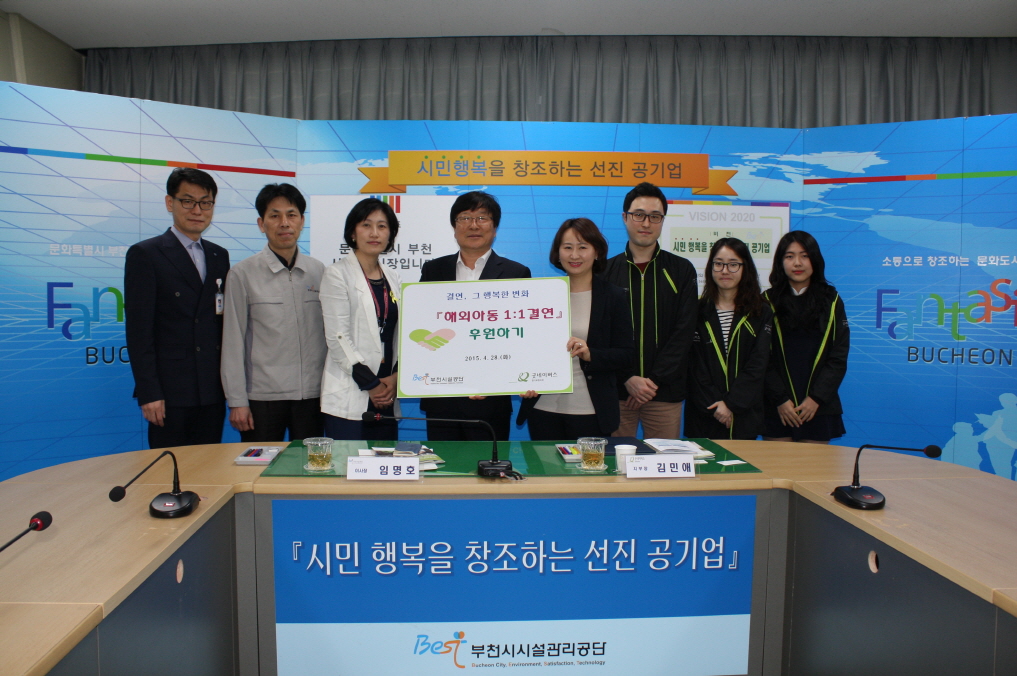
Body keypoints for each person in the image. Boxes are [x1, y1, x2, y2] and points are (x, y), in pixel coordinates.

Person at [124, 167, 231, 448]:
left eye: (205, 203)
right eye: (188, 201)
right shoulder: (146, 254)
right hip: (170, 393)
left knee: (209, 466)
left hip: (212, 390)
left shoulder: (219, 255)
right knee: (169, 467)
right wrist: (149, 392)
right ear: (169, 203)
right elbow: (139, 332)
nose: (197, 210)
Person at [418, 191, 531, 441]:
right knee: (444, 463)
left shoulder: (516, 273)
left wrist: (495, 380)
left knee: (488, 465)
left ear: (495, 227)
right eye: (465, 218)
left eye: (482, 218)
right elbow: (422, 326)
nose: (473, 225)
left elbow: (521, 337)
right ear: (454, 227)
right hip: (442, 398)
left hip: (490, 400)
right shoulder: (433, 270)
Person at [220, 183, 326, 443]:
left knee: (309, 465)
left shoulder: (319, 272)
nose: (284, 223)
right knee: (261, 466)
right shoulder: (242, 274)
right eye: (274, 216)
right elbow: (232, 342)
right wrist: (237, 400)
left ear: (302, 221)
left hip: (313, 396)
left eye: (291, 215)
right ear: (261, 223)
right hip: (262, 398)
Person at [516, 219, 634, 439]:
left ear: (597, 252)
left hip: (590, 410)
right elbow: (524, 346)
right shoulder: (540, 295)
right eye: (568, 247)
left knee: (588, 464)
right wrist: (523, 379)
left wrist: (591, 354)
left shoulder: (614, 296)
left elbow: (626, 354)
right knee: (544, 463)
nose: (574, 255)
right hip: (542, 407)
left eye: (583, 247)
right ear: (558, 253)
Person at [602, 182, 697, 439]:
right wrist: (628, 379)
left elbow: (684, 331)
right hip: (617, 392)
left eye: (655, 216)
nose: (646, 223)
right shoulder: (605, 272)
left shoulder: (681, 270)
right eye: (639, 215)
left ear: (663, 220)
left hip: (664, 393)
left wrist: (652, 382)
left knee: (664, 460)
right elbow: (601, 335)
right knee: (615, 461)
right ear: (625, 217)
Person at [319, 198, 402, 441]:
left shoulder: (393, 277)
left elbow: (401, 335)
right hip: (353, 391)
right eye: (366, 225)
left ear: (390, 234)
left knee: (386, 461)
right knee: (348, 463)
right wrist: (372, 385)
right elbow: (338, 338)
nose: (374, 233)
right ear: (353, 233)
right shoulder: (336, 274)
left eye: (382, 226)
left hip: (387, 393)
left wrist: (396, 378)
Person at [762, 231, 849, 444]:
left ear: (815, 260)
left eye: (805, 255)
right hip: (777, 405)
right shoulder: (767, 301)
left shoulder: (831, 300)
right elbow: (761, 357)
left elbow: (838, 356)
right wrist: (780, 399)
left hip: (818, 406)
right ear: (780, 262)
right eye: (789, 256)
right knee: (778, 465)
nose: (797, 263)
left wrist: (816, 398)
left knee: (813, 466)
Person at [685, 238, 772, 440]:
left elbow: (758, 364)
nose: (725, 271)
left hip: (744, 413)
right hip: (705, 412)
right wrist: (717, 405)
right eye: (719, 264)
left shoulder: (760, 312)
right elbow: (694, 366)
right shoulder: (696, 311)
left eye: (733, 264)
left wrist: (731, 404)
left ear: (745, 268)